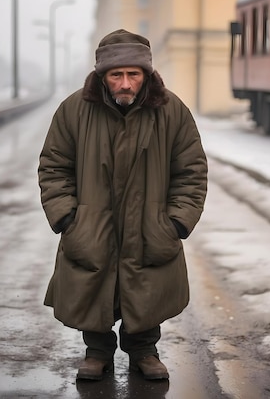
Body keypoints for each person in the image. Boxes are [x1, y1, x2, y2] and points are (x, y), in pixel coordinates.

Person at [38, 29, 208, 381]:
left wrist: (176, 222)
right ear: (103, 76)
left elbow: (191, 171)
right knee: (95, 286)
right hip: (91, 224)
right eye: (117, 75)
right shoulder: (74, 110)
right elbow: (54, 167)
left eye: (133, 74)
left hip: (150, 226)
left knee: (143, 287)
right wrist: (69, 217)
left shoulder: (171, 111)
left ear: (146, 74)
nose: (126, 83)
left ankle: (144, 350)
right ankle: (97, 352)